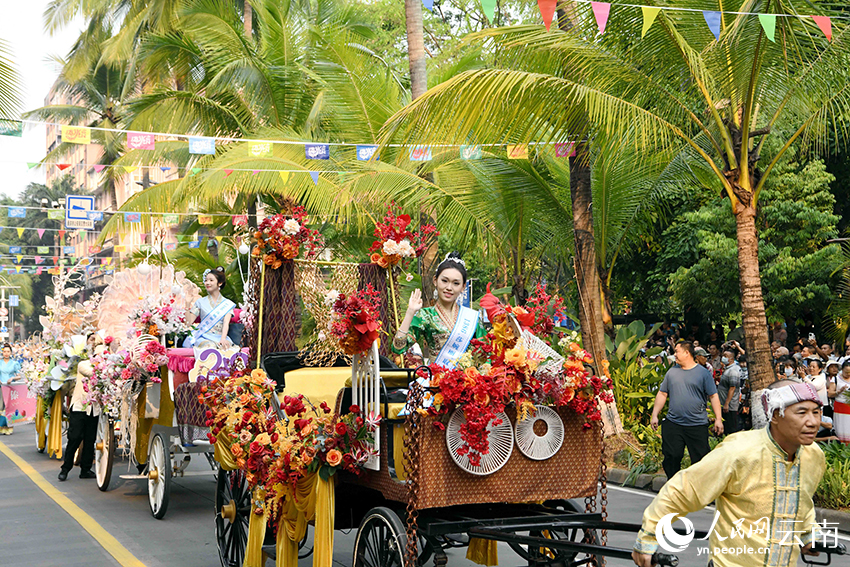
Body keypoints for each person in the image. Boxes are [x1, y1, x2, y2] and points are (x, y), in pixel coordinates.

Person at [632, 380, 826, 567]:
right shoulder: (738, 451)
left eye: (816, 413)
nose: (813, 422)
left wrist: (808, 533)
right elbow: (685, 490)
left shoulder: (813, 456)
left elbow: (802, 500)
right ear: (775, 415)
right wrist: (649, 535)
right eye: (802, 413)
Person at [392, 253, 486, 366]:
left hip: (468, 380)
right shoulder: (425, 315)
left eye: (456, 283)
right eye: (444, 281)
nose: (449, 288)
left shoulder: (472, 318)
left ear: (463, 287)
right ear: (435, 281)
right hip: (436, 380)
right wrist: (410, 312)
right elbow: (398, 348)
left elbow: (486, 355)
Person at [650, 341, 723, 479]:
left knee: (701, 460)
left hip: (697, 424)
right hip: (673, 423)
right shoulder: (671, 372)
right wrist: (655, 414)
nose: (674, 354)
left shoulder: (703, 373)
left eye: (677, 351)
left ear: (686, 353)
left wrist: (718, 419)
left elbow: (713, 396)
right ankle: (674, 486)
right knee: (671, 456)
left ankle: (700, 492)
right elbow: (662, 393)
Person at [59, 333, 102, 481]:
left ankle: (85, 469)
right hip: (79, 407)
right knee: (75, 438)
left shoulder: (105, 369)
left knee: (90, 440)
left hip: (94, 408)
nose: (100, 357)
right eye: (98, 354)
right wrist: (106, 367)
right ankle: (65, 469)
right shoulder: (83, 364)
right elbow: (92, 373)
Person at [190, 267, 236, 355]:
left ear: (220, 283)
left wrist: (223, 339)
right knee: (209, 348)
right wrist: (188, 303)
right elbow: (189, 322)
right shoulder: (200, 302)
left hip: (220, 337)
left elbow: (226, 323)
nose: (207, 283)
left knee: (226, 349)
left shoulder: (227, 304)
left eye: (211, 280)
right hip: (203, 336)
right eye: (206, 280)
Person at [717, 349, 741, 434]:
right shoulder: (727, 369)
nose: (723, 358)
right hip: (724, 404)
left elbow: (732, 387)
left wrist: (727, 403)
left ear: (731, 359)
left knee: (731, 428)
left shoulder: (733, 370)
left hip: (730, 406)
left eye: (725, 356)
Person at [0, 344, 22, 435]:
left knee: (9, 408)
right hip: (1, 387)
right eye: (4, 351)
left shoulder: (14, 363)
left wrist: (12, 379)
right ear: (2, 352)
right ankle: (2, 427)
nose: (6, 353)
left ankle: (9, 427)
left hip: (10, 387)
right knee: (1, 407)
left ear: (11, 352)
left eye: (8, 351)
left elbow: (19, 376)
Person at [832, 361, 850, 444]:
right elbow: (830, 394)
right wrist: (839, 391)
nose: (848, 374)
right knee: (841, 428)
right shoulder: (835, 379)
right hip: (840, 407)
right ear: (841, 369)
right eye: (846, 372)